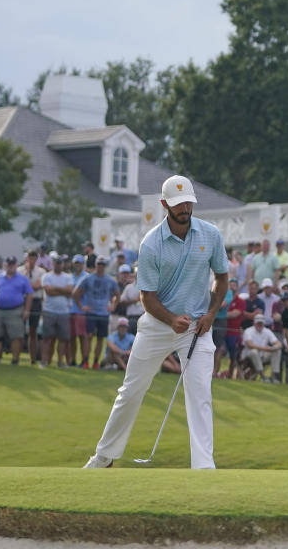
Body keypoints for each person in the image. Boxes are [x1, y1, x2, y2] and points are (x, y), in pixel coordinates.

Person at [84, 174, 229, 470]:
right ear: (164, 204)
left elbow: (222, 278)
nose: (184, 209)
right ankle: (104, 457)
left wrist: (211, 314)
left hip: (197, 328)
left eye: (188, 202)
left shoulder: (211, 234)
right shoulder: (151, 244)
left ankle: (204, 467)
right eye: (178, 204)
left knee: (200, 392)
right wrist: (172, 319)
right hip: (157, 325)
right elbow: (146, 298)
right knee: (131, 390)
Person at [73, 257, 121, 370]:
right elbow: (76, 293)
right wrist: (81, 307)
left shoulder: (110, 280)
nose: (101, 266)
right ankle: (85, 361)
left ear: (105, 266)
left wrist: (113, 305)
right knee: (88, 337)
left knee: (100, 339)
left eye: (103, 264)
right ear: (95, 265)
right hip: (91, 312)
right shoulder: (88, 278)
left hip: (104, 313)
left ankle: (95, 362)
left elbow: (118, 294)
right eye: (99, 264)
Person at [0, 256, 33, 365]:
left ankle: (15, 360)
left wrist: (27, 310)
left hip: (15, 310)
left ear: (16, 265)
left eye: (12, 264)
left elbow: (29, 294)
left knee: (16, 336)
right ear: (5, 265)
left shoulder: (22, 279)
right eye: (8, 264)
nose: (10, 266)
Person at [40, 256, 74, 368]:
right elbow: (48, 292)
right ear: (53, 264)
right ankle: (44, 361)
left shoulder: (68, 277)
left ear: (62, 265)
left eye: (60, 263)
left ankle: (60, 362)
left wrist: (55, 288)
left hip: (64, 312)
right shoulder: (47, 276)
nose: (58, 265)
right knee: (46, 338)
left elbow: (70, 291)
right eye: (56, 263)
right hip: (49, 310)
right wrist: (63, 291)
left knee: (63, 339)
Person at [240, 315, 282, 381]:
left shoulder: (267, 331)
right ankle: (263, 376)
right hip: (248, 354)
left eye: (261, 323)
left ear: (264, 323)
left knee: (277, 351)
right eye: (258, 323)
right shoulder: (248, 331)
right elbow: (249, 345)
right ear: (254, 323)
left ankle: (273, 376)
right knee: (254, 352)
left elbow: (278, 343)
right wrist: (265, 348)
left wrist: (273, 348)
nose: (260, 325)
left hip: (263, 354)